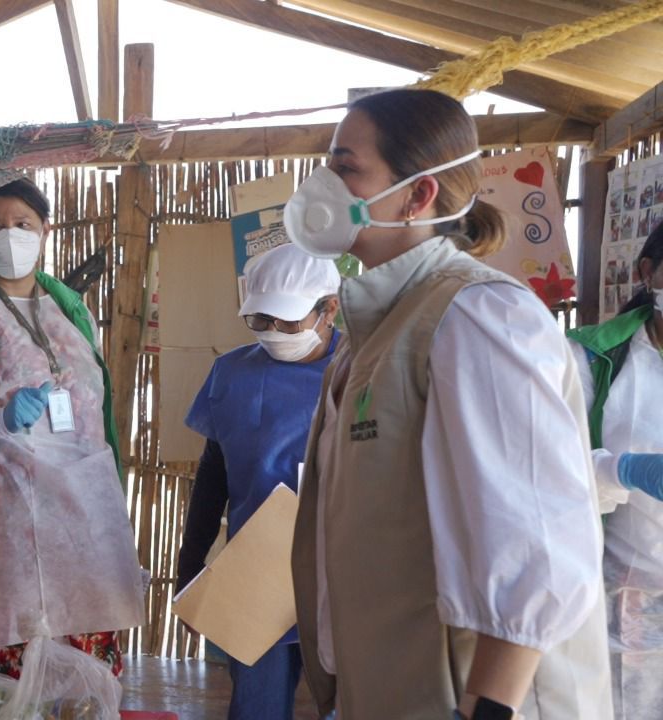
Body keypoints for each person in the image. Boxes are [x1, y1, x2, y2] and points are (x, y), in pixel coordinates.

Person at [284, 89, 612, 719]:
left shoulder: (479, 317)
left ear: (417, 195)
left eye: (346, 166)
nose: (323, 183)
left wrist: (485, 710)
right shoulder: (376, 333)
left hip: (474, 701)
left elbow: (537, 547)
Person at [0, 178, 144, 702]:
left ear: (45, 231)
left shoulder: (72, 314)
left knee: (72, 696)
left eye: (22, 225)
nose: (8, 237)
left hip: (80, 544)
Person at [176, 242, 340, 720]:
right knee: (256, 709)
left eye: (287, 321)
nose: (273, 334)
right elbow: (212, 476)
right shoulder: (232, 373)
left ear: (329, 309)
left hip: (341, 574)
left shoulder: (364, 368)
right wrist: (190, 567)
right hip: (257, 575)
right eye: (261, 321)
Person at [567, 225, 663, 719]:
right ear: (648, 272)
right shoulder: (593, 359)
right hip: (626, 593)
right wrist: (621, 470)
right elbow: (546, 469)